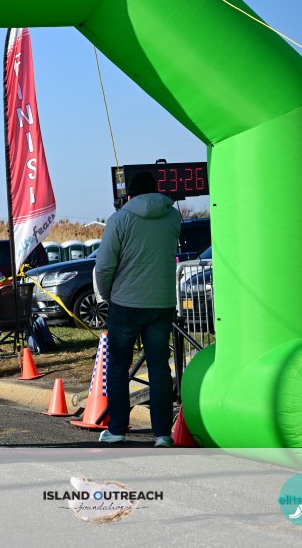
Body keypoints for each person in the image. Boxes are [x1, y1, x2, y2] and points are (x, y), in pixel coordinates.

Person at [94, 170, 181, 448]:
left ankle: (117, 429)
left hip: (125, 304)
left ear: (129, 195)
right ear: (155, 190)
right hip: (162, 302)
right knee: (159, 367)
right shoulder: (173, 217)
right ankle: (163, 434)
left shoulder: (119, 219)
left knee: (119, 366)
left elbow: (104, 265)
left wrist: (106, 294)